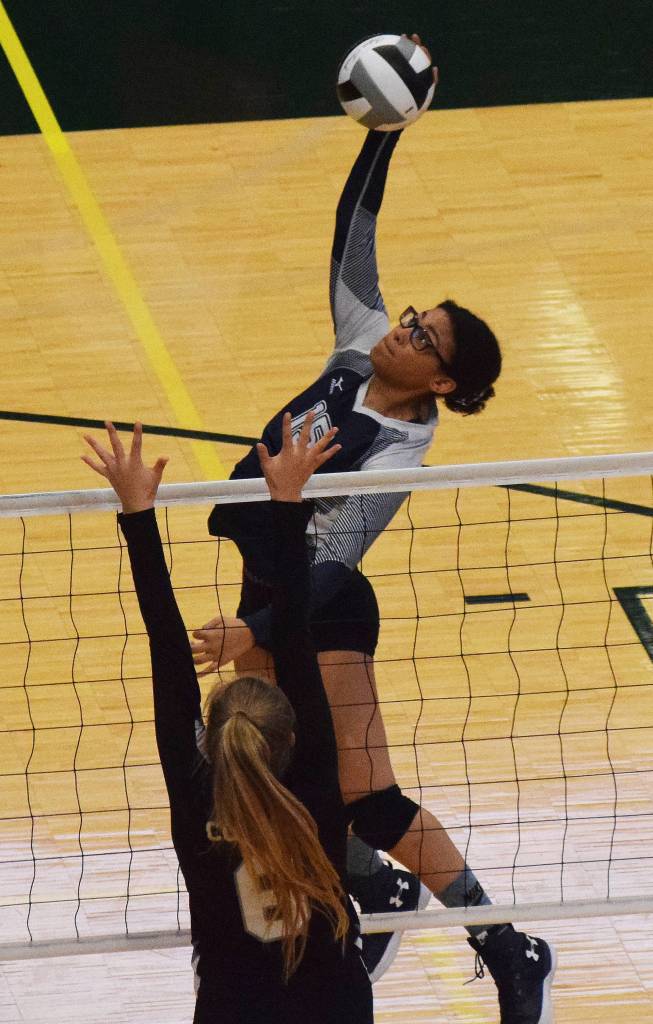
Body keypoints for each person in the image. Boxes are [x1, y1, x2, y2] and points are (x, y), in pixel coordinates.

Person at [191, 35, 555, 1023]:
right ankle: (378, 891)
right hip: (267, 593)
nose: (402, 325)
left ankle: (507, 942)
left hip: (318, 608)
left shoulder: (399, 449)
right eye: (411, 314)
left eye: (423, 336)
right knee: (279, 773)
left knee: (365, 795)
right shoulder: (357, 346)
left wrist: (255, 634)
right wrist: (384, 133)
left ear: (440, 380)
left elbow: (325, 564)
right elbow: (353, 229)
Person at [81, 416, 374, 1024]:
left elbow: (170, 651)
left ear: (210, 744)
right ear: (291, 735)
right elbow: (294, 636)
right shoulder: (315, 775)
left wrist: (137, 514)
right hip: (335, 1006)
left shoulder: (199, 797)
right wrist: (290, 502)